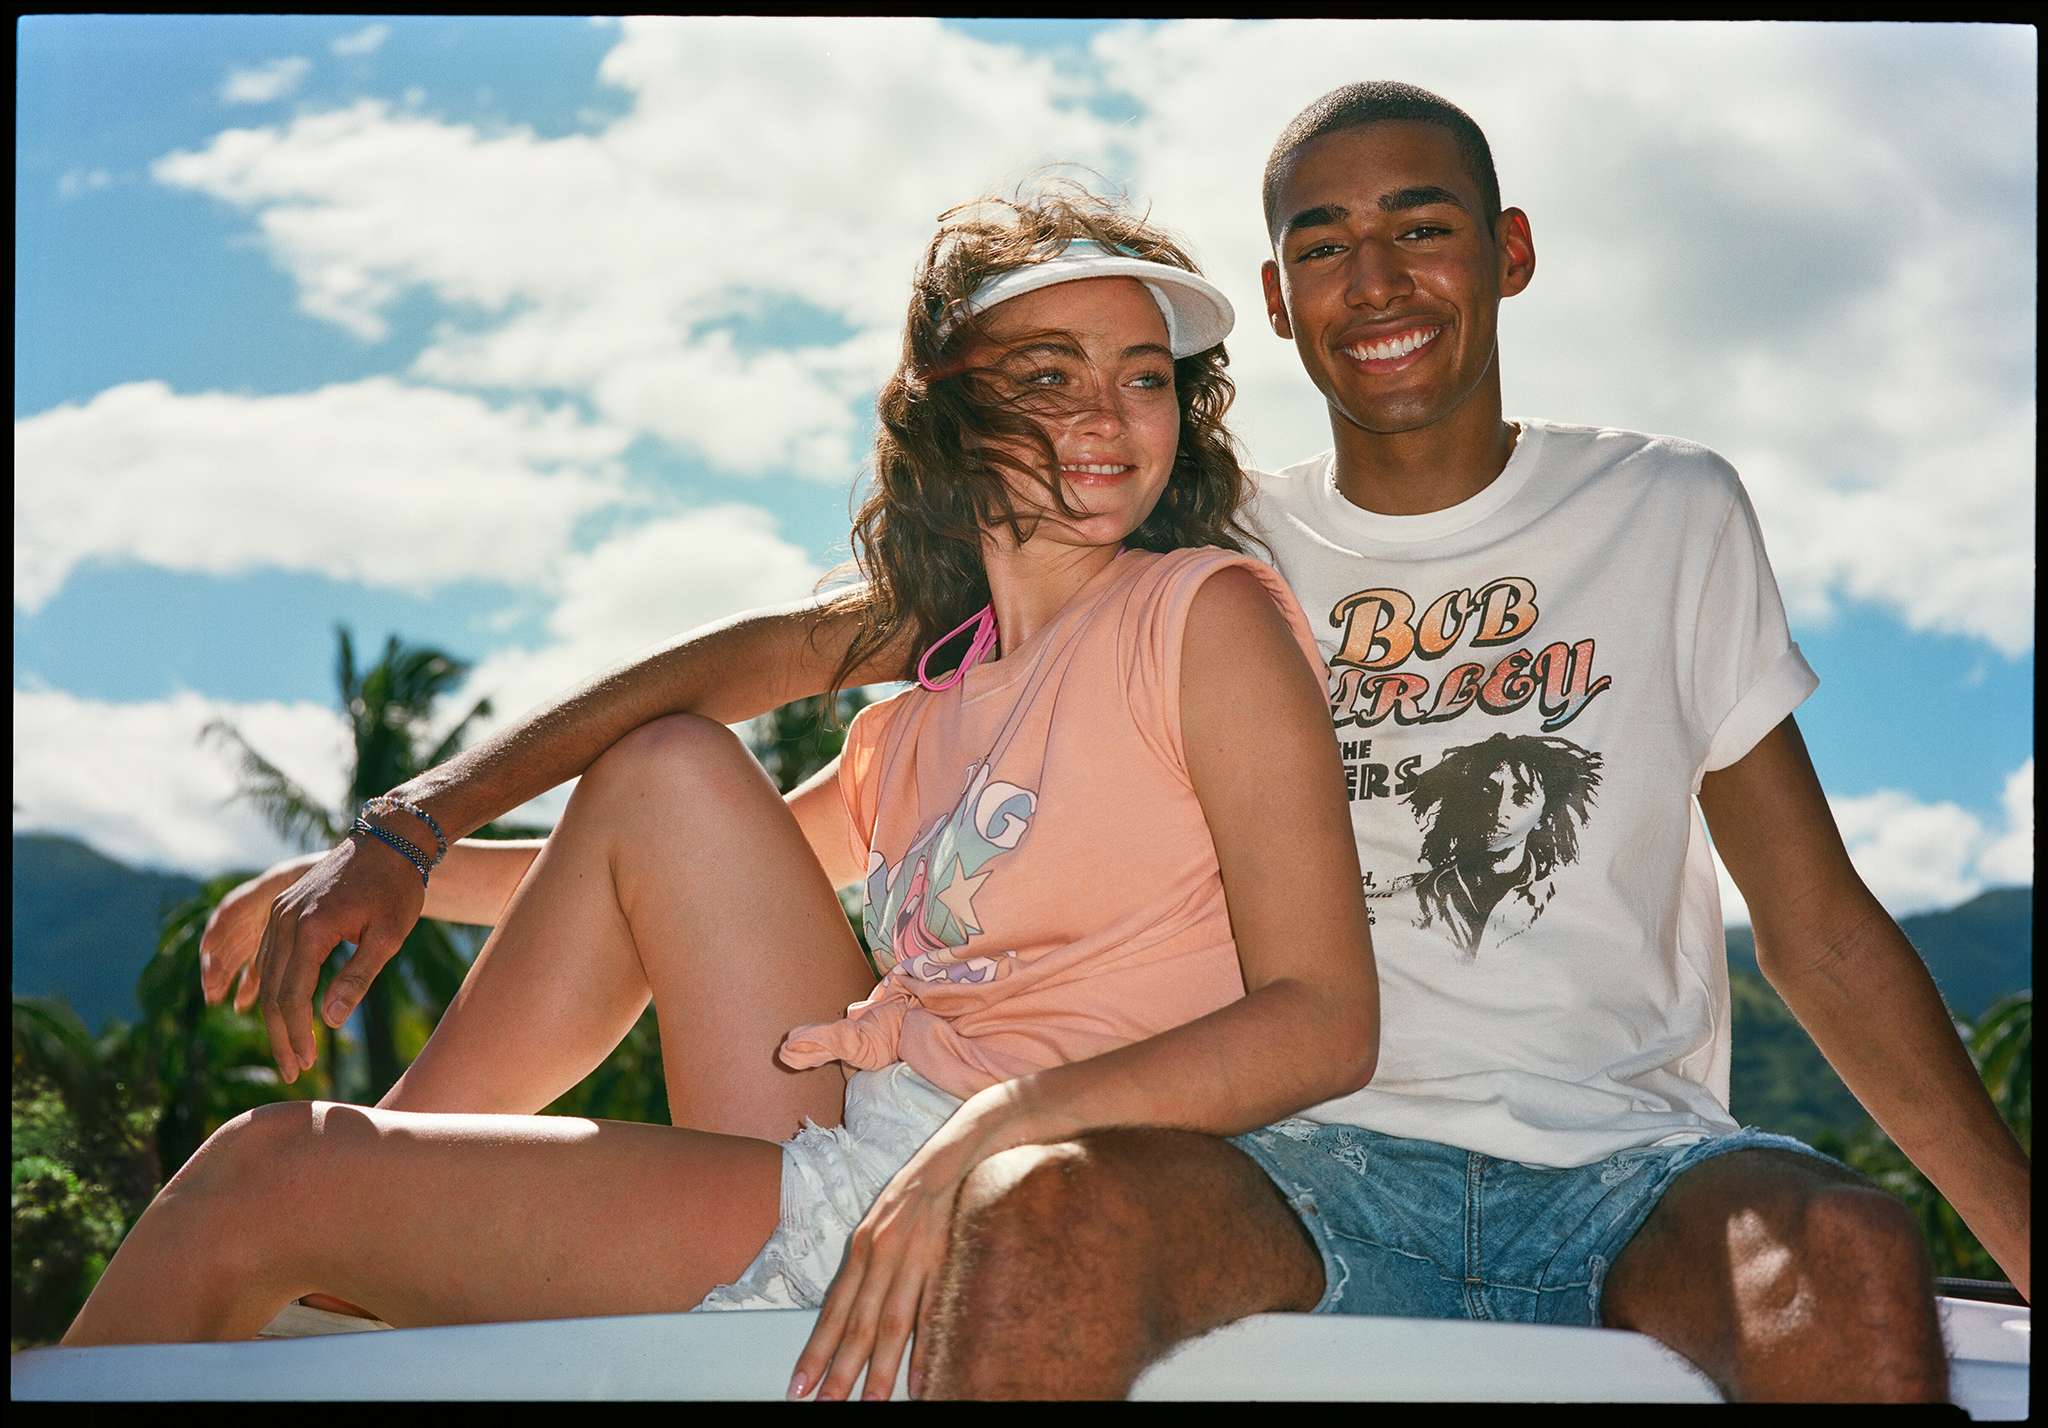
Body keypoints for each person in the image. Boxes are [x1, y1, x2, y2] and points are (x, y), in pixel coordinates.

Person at [188, 83, 2028, 1402]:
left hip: (1613, 1146)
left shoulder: (1662, 512)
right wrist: (413, 836)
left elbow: (1822, 929)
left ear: (1510, 254)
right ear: (1281, 294)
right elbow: (778, 680)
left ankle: (350, 1244)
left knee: (1847, 1263)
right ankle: (368, 1272)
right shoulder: (1181, 552)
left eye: (1423, 229)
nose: (1376, 279)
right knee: (1026, 1200)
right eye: (1326, 243)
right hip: (1301, 1145)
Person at [60, 189, 1384, 1407]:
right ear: (947, 414)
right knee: (667, 770)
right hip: (859, 1138)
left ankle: (337, 1225)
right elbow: (632, 874)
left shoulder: (1197, 617)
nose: (1106, 413)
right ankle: (376, 1197)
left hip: (1011, 1197)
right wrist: (358, 876)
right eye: (1049, 376)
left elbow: (1324, 1026)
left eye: (1142, 378)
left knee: (262, 1170)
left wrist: (1001, 1126)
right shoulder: (920, 719)